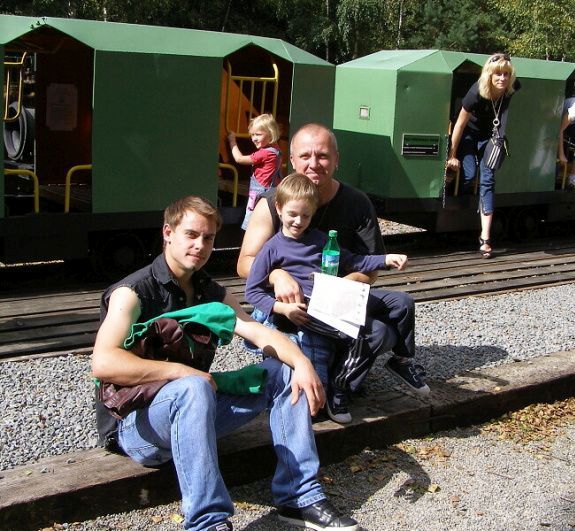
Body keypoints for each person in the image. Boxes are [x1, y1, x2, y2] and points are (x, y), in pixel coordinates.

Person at [91, 195, 358, 531]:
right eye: (191, 235)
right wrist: (182, 372)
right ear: (168, 233)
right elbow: (104, 362)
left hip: (193, 408)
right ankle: (207, 522)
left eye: (208, 238)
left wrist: (302, 363)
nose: (200, 245)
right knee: (192, 386)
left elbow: (258, 331)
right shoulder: (133, 291)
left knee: (285, 371)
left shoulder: (208, 290)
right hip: (137, 428)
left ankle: (299, 497)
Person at [238, 123, 427, 424]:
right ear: (292, 160)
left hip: (340, 294)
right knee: (377, 333)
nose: (314, 163)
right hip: (296, 306)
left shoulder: (357, 203)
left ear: (337, 160)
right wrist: (277, 276)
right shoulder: (273, 201)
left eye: (323, 155)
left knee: (399, 308)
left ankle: (360, 375)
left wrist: (343, 287)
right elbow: (244, 263)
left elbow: (367, 267)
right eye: (305, 156)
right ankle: (332, 386)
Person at [446, 52, 520, 259]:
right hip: (469, 134)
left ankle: (485, 237)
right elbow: (460, 124)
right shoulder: (475, 93)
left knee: (488, 179)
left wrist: (503, 57)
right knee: (469, 174)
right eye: (498, 74)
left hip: (490, 137)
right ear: (489, 74)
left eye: (506, 74)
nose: (502, 78)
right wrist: (452, 155)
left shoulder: (511, 88)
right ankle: (452, 197)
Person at [227, 113, 282, 230]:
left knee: (251, 220)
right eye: (252, 135)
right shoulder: (276, 149)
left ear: (271, 134)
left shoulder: (265, 153)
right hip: (271, 190)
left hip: (259, 193)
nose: (254, 139)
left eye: (258, 134)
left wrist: (232, 141)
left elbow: (239, 159)